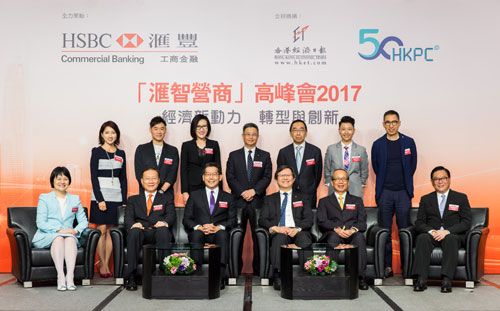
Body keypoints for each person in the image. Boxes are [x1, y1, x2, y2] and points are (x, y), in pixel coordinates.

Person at [371, 110, 417, 277]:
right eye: (387, 122)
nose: (391, 125)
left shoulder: (409, 142)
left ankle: (407, 267)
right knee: (385, 231)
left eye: (394, 122)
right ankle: (387, 266)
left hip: (403, 193)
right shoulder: (377, 144)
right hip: (385, 193)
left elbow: (412, 166)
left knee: (405, 230)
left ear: (399, 123)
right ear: (383, 124)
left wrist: (405, 188)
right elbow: (376, 167)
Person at [412, 166, 471, 293]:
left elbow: (466, 222)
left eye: (443, 178)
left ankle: (446, 280)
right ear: (432, 182)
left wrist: (447, 231)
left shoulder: (460, 198)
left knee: (450, 239)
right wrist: (432, 231)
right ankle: (421, 279)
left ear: (449, 179)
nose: (440, 181)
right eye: (436, 179)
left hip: (452, 234)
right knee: (422, 237)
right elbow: (419, 222)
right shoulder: (426, 199)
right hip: (433, 234)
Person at [32, 167, 89, 291]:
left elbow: (83, 221)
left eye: (65, 178)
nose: (62, 181)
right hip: (46, 235)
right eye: (59, 178)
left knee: (70, 239)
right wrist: (59, 230)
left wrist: (75, 230)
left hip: (69, 235)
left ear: (69, 181)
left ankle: (70, 276)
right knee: (58, 238)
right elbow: (40, 223)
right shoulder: (44, 198)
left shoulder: (75, 199)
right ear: (53, 181)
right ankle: (60, 276)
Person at [226, 123, 272, 275]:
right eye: (248, 134)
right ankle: (236, 270)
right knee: (236, 236)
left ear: (257, 136)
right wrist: (243, 192)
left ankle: (259, 270)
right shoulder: (234, 155)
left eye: (254, 134)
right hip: (238, 202)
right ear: (243, 136)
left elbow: (267, 177)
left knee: (259, 237)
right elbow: (230, 177)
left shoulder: (265, 155)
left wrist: (254, 191)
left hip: (258, 202)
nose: (251, 137)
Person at [183, 162, 237, 290]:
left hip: (218, 232)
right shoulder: (194, 195)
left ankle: (220, 277)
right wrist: (199, 227)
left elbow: (233, 220)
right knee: (196, 234)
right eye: (208, 174)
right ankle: (197, 274)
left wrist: (219, 227)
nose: (211, 177)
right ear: (203, 177)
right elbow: (187, 219)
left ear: (220, 177)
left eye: (214, 174)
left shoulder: (228, 197)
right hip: (200, 232)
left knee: (223, 235)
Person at [258, 165, 313, 290]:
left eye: (288, 175)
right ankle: (278, 275)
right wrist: (275, 228)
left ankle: (308, 275)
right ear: (276, 179)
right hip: (279, 231)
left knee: (304, 239)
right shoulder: (269, 199)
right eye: (282, 175)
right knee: (279, 239)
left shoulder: (303, 197)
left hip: (298, 230)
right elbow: (262, 219)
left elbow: (309, 219)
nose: (285, 178)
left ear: (293, 179)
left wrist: (297, 229)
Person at [124, 167, 176, 291]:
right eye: (147, 179)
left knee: (163, 230)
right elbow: (128, 218)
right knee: (134, 232)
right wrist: (133, 224)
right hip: (140, 231)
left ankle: (165, 274)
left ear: (159, 181)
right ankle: (131, 276)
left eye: (154, 178)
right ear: (142, 181)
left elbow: (171, 215)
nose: (151, 181)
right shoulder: (133, 200)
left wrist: (164, 222)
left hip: (157, 231)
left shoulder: (166, 198)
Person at [317, 169, 369, 290]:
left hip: (352, 233)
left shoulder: (357, 201)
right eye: (337, 179)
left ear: (348, 182)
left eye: (344, 179)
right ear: (332, 182)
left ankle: (360, 277)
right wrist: (336, 229)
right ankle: (330, 276)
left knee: (359, 237)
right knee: (333, 237)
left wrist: (353, 230)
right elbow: (322, 221)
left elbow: (362, 223)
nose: (341, 182)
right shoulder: (324, 201)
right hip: (333, 233)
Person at [89, 121, 127, 278]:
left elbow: (123, 178)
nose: (110, 135)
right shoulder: (96, 152)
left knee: (111, 231)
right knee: (102, 230)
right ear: (102, 134)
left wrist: (123, 200)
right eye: (107, 132)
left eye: (113, 132)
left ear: (116, 134)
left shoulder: (121, 154)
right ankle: (103, 264)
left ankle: (105, 264)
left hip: (116, 197)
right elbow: (93, 177)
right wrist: (100, 199)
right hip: (101, 197)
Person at [277, 119, 322, 209]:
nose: (298, 133)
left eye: (301, 130)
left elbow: (317, 174)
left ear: (306, 132)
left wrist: (310, 188)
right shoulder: (284, 152)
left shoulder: (315, 151)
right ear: (290, 133)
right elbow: (281, 175)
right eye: (295, 130)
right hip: (289, 194)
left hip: (309, 195)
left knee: (308, 221)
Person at [181, 114, 221, 204]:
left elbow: (218, 168)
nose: (201, 129)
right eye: (198, 126)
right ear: (193, 128)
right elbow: (183, 170)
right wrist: (184, 192)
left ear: (208, 128)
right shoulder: (186, 146)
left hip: (211, 185)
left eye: (204, 126)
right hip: (192, 186)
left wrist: (219, 189)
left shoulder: (214, 144)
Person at [324, 116, 368, 198]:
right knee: (334, 210)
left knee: (354, 210)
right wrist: (329, 182)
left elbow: (364, 170)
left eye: (349, 129)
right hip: (335, 188)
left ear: (354, 131)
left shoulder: (361, 150)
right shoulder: (331, 149)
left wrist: (360, 184)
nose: (346, 132)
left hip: (355, 189)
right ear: (339, 131)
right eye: (343, 129)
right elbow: (327, 168)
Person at [134, 116, 179, 196]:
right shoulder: (141, 149)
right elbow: (139, 173)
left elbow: (172, 175)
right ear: (150, 130)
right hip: (146, 193)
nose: (159, 132)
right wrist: (150, 191)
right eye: (156, 128)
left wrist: (161, 191)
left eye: (162, 129)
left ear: (165, 130)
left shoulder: (173, 151)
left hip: (166, 193)